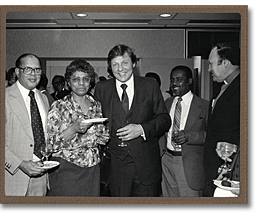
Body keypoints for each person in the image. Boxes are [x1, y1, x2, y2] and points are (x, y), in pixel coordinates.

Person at [94, 44, 171, 197]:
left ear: (134, 64)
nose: (120, 68)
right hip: (116, 168)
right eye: (115, 64)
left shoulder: (150, 85)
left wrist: (141, 129)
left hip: (147, 166)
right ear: (110, 67)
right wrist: (99, 134)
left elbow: (164, 120)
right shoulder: (102, 89)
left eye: (125, 63)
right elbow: (96, 122)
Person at [46, 59, 110, 196]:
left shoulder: (96, 105)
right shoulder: (59, 106)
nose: (81, 83)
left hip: (93, 168)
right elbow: (49, 145)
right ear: (68, 83)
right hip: (67, 169)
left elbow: (97, 136)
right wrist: (72, 129)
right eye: (76, 79)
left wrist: (103, 137)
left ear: (90, 82)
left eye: (86, 79)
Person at [160, 65, 209, 197]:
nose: (174, 83)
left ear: (189, 81)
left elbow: (212, 136)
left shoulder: (204, 106)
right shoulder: (167, 103)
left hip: (188, 164)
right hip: (166, 159)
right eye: (172, 80)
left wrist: (189, 136)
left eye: (179, 79)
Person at [5, 53, 49, 196]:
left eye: (37, 70)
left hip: (41, 175)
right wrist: (20, 164)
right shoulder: (3, 97)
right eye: (28, 69)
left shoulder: (43, 98)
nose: (34, 74)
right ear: (17, 72)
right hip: (12, 176)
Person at [203, 43, 240, 197]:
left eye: (211, 63)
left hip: (232, 171)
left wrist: (235, 154)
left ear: (225, 63)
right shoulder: (223, 87)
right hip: (218, 169)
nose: (209, 69)